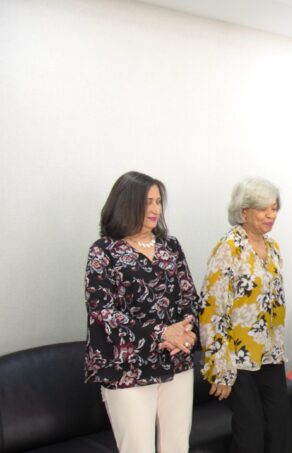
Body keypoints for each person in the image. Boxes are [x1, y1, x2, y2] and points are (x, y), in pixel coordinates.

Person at [84, 171, 199, 453]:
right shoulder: (103, 251)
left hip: (176, 361)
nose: (155, 209)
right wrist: (162, 333)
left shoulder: (170, 246)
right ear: (127, 203)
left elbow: (188, 298)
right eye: (148, 201)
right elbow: (103, 313)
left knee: (177, 446)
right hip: (127, 368)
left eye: (159, 202)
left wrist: (187, 333)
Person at [198, 177, 290, 453]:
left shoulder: (273, 248)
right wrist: (219, 369)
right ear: (244, 211)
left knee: (280, 430)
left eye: (274, 208)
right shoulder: (229, 248)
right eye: (263, 209)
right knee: (250, 436)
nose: (271, 215)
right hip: (238, 358)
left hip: (271, 354)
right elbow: (212, 309)